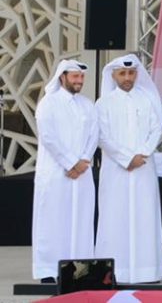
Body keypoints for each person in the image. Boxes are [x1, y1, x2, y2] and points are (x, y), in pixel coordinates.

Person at [94, 54, 162, 284]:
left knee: (145, 218)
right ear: (113, 75)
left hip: (143, 168)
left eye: (131, 73)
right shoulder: (103, 103)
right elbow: (102, 136)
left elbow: (157, 129)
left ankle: (147, 271)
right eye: (122, 73)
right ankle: (116, 272)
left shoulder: (147, 100)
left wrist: (142, 153)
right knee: (114, 219)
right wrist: (127, 159)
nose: (127, 77)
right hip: (116, 172)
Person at [32, 58, 97, 284]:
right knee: (53, 222)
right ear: (63, 77)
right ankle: (49, 270)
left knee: (81, 221)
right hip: (55, 174)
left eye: (81, 77)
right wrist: (71, 163)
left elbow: (94, 135)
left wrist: (83, 161)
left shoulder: (87, 104)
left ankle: (80, 269)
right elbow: (48, 137)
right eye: (75, 76)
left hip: (82, 174)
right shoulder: (48, 103)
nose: (79, 81)